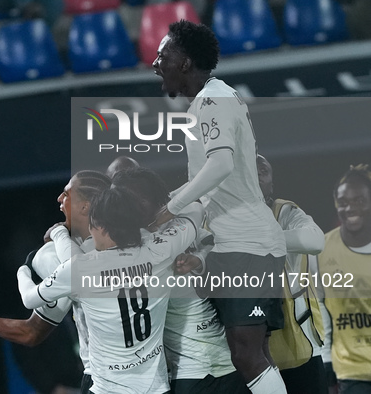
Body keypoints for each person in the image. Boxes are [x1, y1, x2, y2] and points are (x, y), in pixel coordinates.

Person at [152, 20, 287, 394]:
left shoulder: (214, 100)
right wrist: (167, 204)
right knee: (254, 351)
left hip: (247, 245)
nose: (155, 63)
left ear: (184, 63)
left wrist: (172, 207)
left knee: (246, 353)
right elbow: (216, 180)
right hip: (239, 243)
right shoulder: (209, 101)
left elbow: (222, 165)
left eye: (162, 56)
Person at [11, 187, 204, 393]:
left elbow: (30, 298)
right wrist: (157, 218)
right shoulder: (161, 251)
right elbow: (195, 209)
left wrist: (24, 269)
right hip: (156, 388)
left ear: (101, 228)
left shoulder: (86, 268)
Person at [0, 171, 111, 394]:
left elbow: (30, 319)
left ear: (85, 206)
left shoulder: (56, 260)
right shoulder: (153, 247)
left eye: (67, 194)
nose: (59, 199)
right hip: (151, 380)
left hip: (106, 382)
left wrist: (24, 269)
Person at [112, 167, 249, 393]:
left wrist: (198, 259)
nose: (125, 208)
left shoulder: (182, 226)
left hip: (229, 360)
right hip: (188, 373)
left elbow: (211, 244)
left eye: (132, 200)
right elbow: (194, 205)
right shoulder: (135, 247)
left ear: (150, 200)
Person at [256, 155, 327, 393]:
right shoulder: (219, 219)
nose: (256, 173)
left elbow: (314, 240)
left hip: (299, 344)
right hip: (248, 353)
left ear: (271, 182)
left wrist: (255, 239)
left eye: (263, 170)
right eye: (248, 168)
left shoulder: (285, 212)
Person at [316, 164, 371, 394]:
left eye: (359, 200)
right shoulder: (323, 248)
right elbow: (320, 306)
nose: (350, 208)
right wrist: (325, 359)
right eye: (343, 202)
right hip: (350, 370)